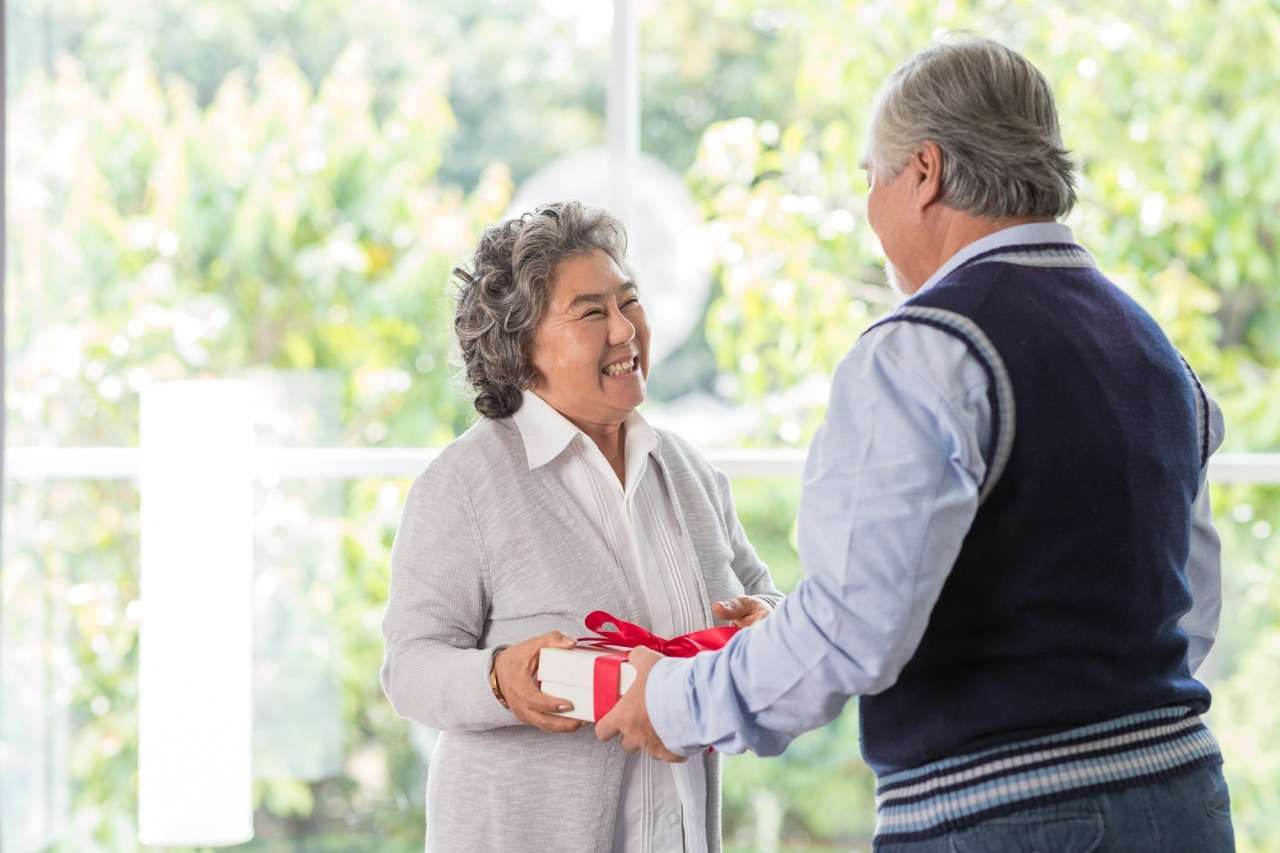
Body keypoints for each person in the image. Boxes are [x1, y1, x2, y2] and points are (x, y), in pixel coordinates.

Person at [598, 35, 1236, 852]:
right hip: (1184, 801)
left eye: (872, 178)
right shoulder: (1154, 352)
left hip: (1009, 822)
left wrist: (674, 699)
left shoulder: (923, 349)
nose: (870, 208)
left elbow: (851, 636)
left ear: (924, 172)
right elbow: (1183, 610)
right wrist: (799, 628)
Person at [380, 200, 782, 852]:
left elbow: (767, 602)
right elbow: (410, 667)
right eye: (593, 312)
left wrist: (768, 627)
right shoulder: (464, 484)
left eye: (630, 301)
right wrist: (500, 679)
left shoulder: (689, 472)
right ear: (521, 344)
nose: (626, 330)